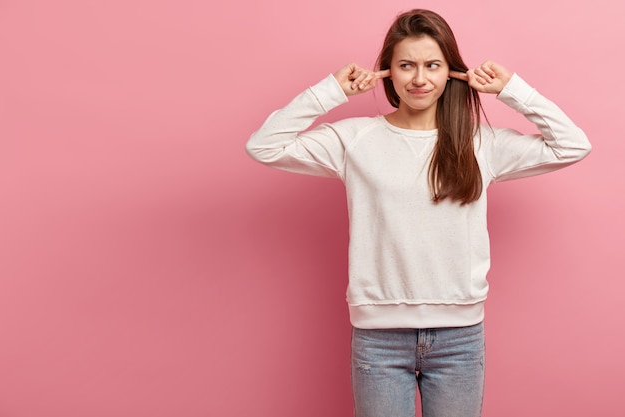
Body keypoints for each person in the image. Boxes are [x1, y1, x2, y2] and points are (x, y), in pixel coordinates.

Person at [245, 8, 591, 417]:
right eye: (406, 65)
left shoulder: (481, 143)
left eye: (433, 65)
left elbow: (572, 145)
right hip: (378, 338)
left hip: (460, 338)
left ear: (451, 72)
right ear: (388, 72)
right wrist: (330, 91)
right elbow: (264, 145)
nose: (420, 79)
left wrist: (512, 89)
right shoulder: (355, 139)